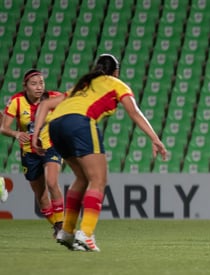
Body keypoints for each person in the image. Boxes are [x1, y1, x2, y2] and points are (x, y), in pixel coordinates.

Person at [32, 54, 167, 252]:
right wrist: (155, 138)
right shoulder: (117, 84)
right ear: (116, 72)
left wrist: (36, 135)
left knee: (82, 177)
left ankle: (67, 231)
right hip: (80, 123)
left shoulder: (83, 85)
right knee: (98, 180)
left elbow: (45, 104)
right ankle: (85, 234)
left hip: (56, 126)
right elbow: (134, 112)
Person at [0, 69, 64, 237]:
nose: (38, 87)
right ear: (25, 86)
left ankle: (62, 224)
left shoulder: (53, 97)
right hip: (29, 153)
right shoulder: (17, 101)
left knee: (52, 182)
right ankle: (57, 226)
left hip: (51, 147)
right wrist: (16, 134)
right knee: (41, 196)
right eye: (34, 84)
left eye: (41, 83)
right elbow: (4, 128)